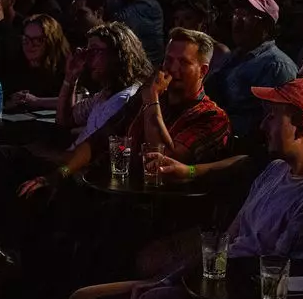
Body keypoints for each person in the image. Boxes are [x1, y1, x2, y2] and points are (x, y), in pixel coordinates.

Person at [66, 79, 303, 299]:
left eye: (272, 116)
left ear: (302, 127)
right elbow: (226, 241)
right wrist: (166, 281)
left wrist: (181, 293)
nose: (262, 125)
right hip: (208, 287)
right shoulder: (274, 171)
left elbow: (264, 287)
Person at [18, 27, 231, 197]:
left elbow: (160, 162)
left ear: (203, 71)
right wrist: (61, 174)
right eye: (168, 60)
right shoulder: (145, 98)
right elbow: (100, 139)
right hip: (114, 191)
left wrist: (152, 100)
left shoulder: (211, 117)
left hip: (156, 208)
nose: (172, 68)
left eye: (183, 62)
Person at [205, 0, 298, 139]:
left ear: (266, 25)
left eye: (247, 16)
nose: (238, 21)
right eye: (236, 14)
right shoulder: (234, 57)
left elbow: (273, 125)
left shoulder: (276, 66)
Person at [56, 22, 151, 148]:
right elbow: (65, 120)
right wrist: (70, 78)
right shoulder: (104, 95)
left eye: (95, 51)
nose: (88, 58)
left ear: (118, 53)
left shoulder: (125, 100)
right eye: (88, 52)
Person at [7, 13, 71, 111]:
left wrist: (37, 101)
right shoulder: (17, 65)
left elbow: (76, 101)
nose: (30, 45)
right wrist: (12, 101)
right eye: (26, 39)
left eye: (38, 40)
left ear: (51, 41)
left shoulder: (67, 67)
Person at [106, 0, 165, 66]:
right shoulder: (120, 1)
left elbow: (122, 27)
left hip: (149, 66)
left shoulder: (149, 5)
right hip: (130, 64)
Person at [171, 0, 229, 70]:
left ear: (202, 20)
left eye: (187, 18)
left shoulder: (218, 52)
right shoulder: (174, 49)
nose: (180, 24)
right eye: (176, 19)